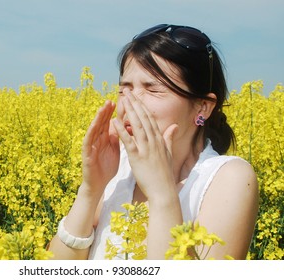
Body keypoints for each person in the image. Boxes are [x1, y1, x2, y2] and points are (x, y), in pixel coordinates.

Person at [48, 24, 259, 260]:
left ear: (203, 107)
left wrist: (161, 193)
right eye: (124, 89)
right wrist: (90, 190)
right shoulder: (120, 169)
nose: (130, 103)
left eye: (153, 89)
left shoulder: (229, 178)